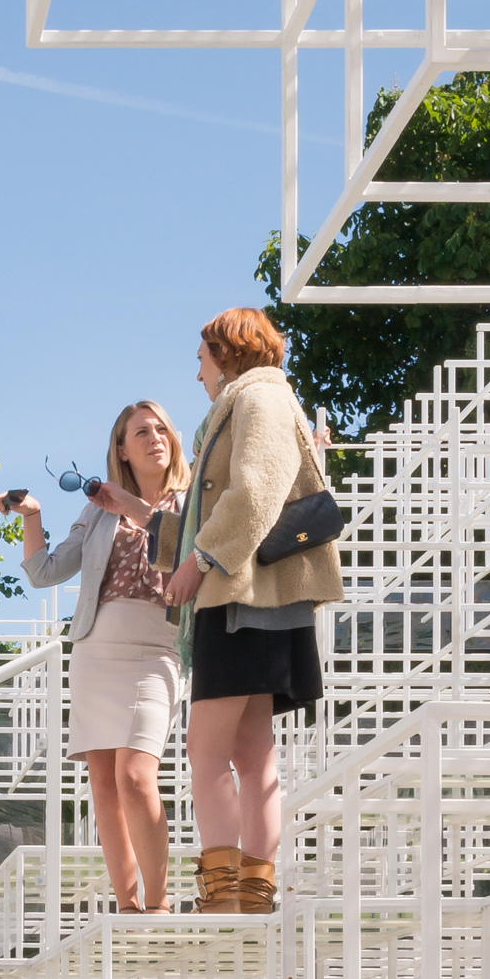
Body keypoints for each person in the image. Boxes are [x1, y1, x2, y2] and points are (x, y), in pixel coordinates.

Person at [162, 310, 343, 914]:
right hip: (258, 596)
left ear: (229, 351)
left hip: (243, 595)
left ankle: (223, 897)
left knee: (207, 748)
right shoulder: (260, 398)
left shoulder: (260, 396)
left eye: (202, 357)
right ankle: (252, 895)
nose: (197, 373)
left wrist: (199, 561)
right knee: (250, 751)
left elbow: (255, 492)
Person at [7, 401, 191, 912]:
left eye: (162, 430)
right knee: (106, 785)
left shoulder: (194, 499)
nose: (155, 438)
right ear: (121, 450)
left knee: (136, 776)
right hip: (94, 650)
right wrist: (34, 515)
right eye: (141, 432)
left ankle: (157, 904)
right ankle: (128, 908)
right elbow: (45, 571)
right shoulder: (96, 511)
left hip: (157, 648)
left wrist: (131, 508)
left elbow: (187, 551)